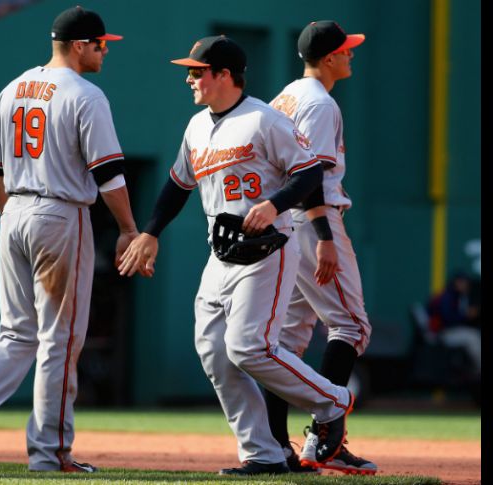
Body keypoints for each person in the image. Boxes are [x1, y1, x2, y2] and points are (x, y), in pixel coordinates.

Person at [118, 35, 355, 475]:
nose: (189, 78)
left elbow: (309, 174)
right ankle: (263, 453)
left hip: (269, 249)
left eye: (197, 71)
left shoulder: (264, 119)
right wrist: (151, 233)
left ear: (224, 74)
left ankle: (333, 401)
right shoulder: (196, 126)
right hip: (221, 252)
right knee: (213, 351)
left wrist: (275, 204)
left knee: (249, 347)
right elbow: (177, 185)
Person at [0, 6, 142, 473]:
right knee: (60, 340)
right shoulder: (85, 94)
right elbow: (108, 174)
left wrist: (12, 215)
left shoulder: (13, 88)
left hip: (14, 211)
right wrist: (129, 229)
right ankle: (51, 453)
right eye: (101, 43)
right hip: (59, 213)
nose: (105, 50)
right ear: (79, 45)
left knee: (16, 332)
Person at [264, 20, 377, 475]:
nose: (351, 55)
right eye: (346, 50)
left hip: (281, 222)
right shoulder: (320, 103)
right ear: (329, 57)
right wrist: (325, 237)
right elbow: (309, 175)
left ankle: (275, 447)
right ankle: (324, 434)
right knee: (351, 325)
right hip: (313, 219)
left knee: (284, 342)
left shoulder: (285, 96)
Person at [427, 271, 481, 374]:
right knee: (472, 337)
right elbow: (448, 319)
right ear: (455, 282)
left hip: (449, 331)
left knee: (474, 334)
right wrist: (466, 315)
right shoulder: (448, 296)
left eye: (465, 282)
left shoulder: (458, 296)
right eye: (461, 282)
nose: (464, 285)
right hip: (441, 334)